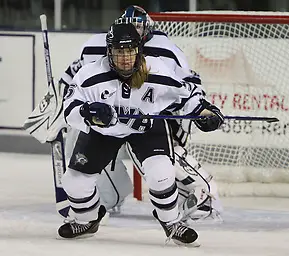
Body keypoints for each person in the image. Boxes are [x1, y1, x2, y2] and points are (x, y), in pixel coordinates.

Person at [24, 5, 222, 221]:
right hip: (107, 121)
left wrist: (199, 113)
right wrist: (57, 109)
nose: (133, 36)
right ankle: (102, 202)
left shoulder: (166, 50)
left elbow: (187, 87)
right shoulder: (94, 46)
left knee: (160, 164)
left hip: (149, 118)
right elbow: (71, 80)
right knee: (78, 145)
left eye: (139, 30)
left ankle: (195, 195)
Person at [60, 22, 224, 245]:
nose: (125, 57)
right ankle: (87, 220)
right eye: (119, 51)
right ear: (109, 52)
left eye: (130, 51)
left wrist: (205, 112)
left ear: (139, 51)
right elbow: (69, 107)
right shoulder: (91, 75)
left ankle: (172, 222)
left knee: (162, 174)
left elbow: (186, 96)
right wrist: (87, 112)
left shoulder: (157, 71)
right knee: (74, 182)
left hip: (147, 128)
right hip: (104, 131)